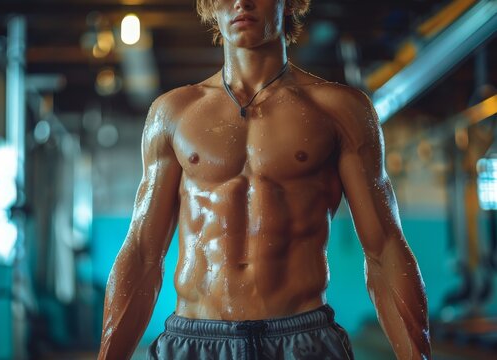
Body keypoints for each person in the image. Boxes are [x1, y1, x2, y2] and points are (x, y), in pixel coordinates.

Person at [98, 0, 431, 359]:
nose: (241, 2)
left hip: (301, 340)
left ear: (289, 4)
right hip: (195, 341)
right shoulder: (174, 113)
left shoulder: (339, 109)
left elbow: (384, 250)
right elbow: (143, 254)